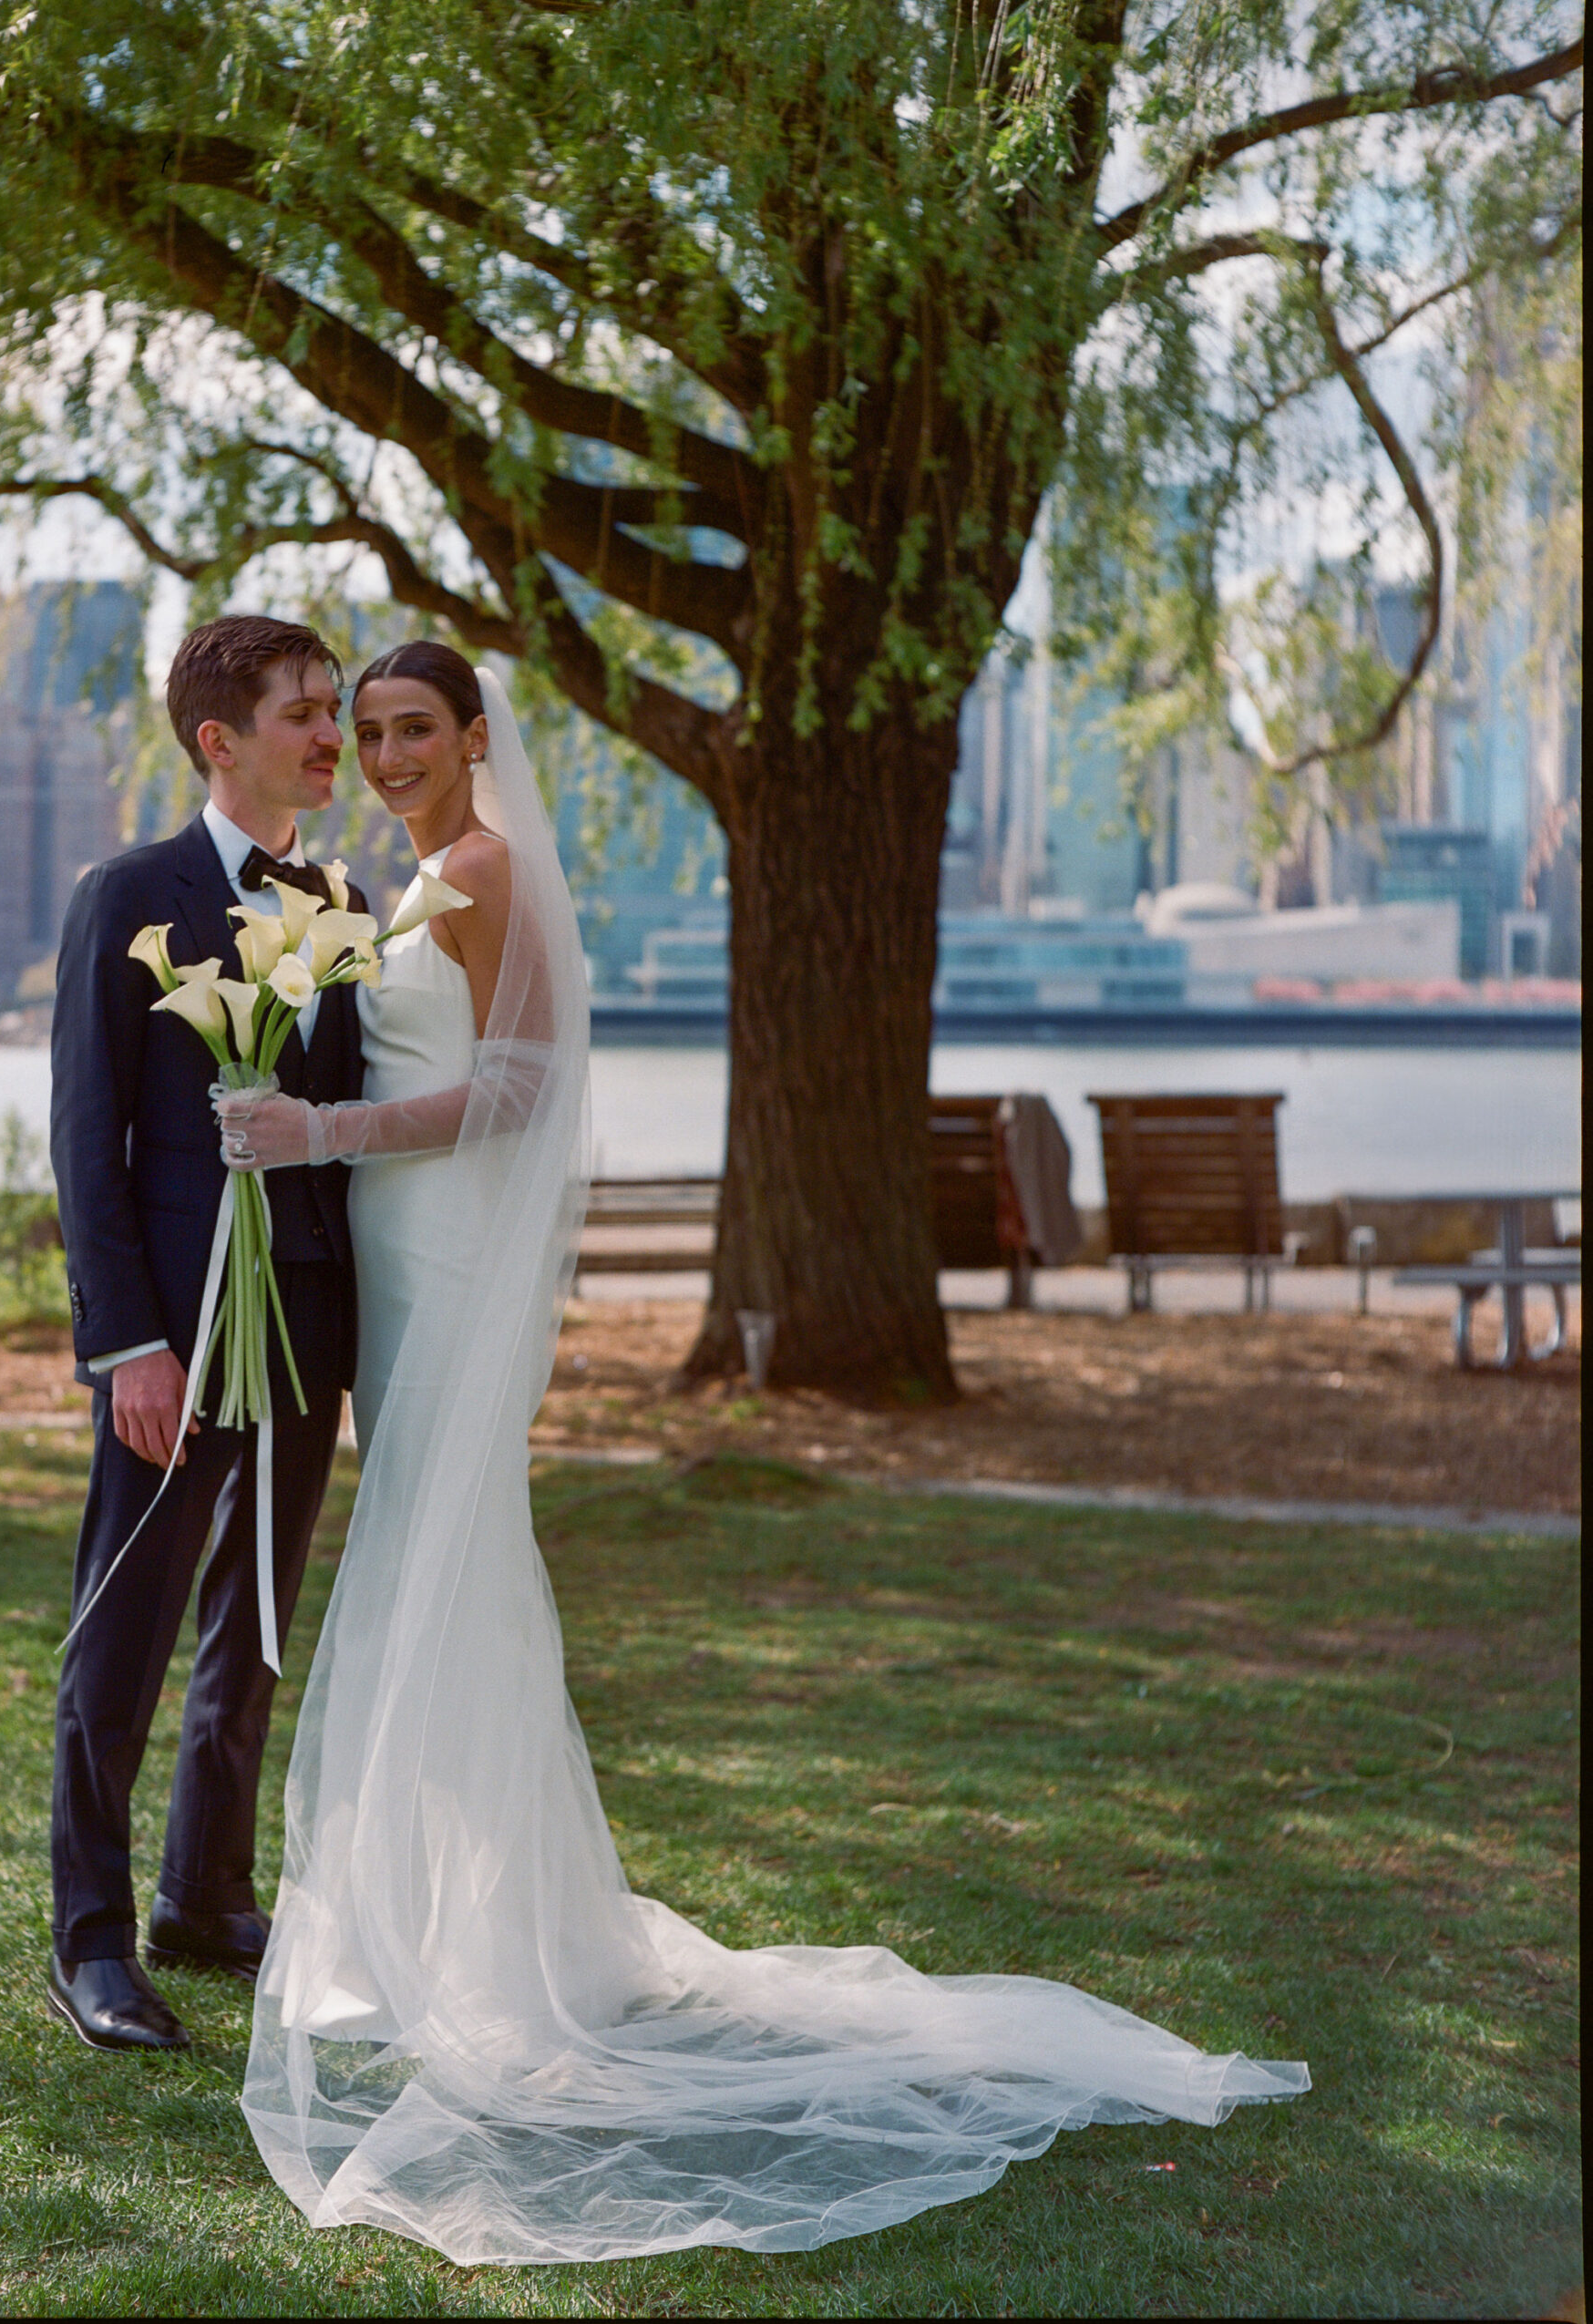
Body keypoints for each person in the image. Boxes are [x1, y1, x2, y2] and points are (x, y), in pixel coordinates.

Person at [211, 643, 1309, 2266]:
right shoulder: (410, 872)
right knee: (434, 1562)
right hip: (388, 1249)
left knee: (444, 1562)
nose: (383, 752)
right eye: (366, 731)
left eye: (413, 729)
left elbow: (515, 1092)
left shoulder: (493, 867)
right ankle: (452, 1925)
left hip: (442, 1244)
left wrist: (326, 1134)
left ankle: (480, 1950)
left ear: (473, 737)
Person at [45, 615, 367, 2053]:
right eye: (304, 711)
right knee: (125, 1628)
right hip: (175, 1335)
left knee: (257, 1626)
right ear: (218, 739)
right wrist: (127, 1345)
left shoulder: (343, 901)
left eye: (337, 709)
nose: (332, 735)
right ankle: (92, 1943)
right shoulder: (129, 891)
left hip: (302, 1322)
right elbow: (84, 1137)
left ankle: (203, 1894)